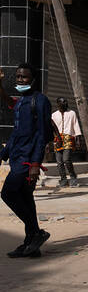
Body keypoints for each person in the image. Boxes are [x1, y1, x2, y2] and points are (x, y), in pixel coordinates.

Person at [0, 64, 52, 258]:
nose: (20, 80)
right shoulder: (22, 102)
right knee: (26, 200)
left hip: (27, 160)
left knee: (8, 194)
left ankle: (36, 233)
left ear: (34, 79)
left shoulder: (40, 101)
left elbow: (42, 134)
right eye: (18, 77)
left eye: (24, 77)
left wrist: (35, 164)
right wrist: (4, 154)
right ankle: (31, 244)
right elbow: (17, 131)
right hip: (16, 156)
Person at [52, 97, 83, 187]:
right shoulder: (54, 115)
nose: (65, 102)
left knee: (66, 159)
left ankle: (73, 176)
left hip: (69, 138)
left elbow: (76, 125)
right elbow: (51, 129)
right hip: (57, 139)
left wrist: (78, 139)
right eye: (63, 101)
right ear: (58, 104)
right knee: (59, 162)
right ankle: (63, 179)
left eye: (65, 101)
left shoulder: (72, 113)